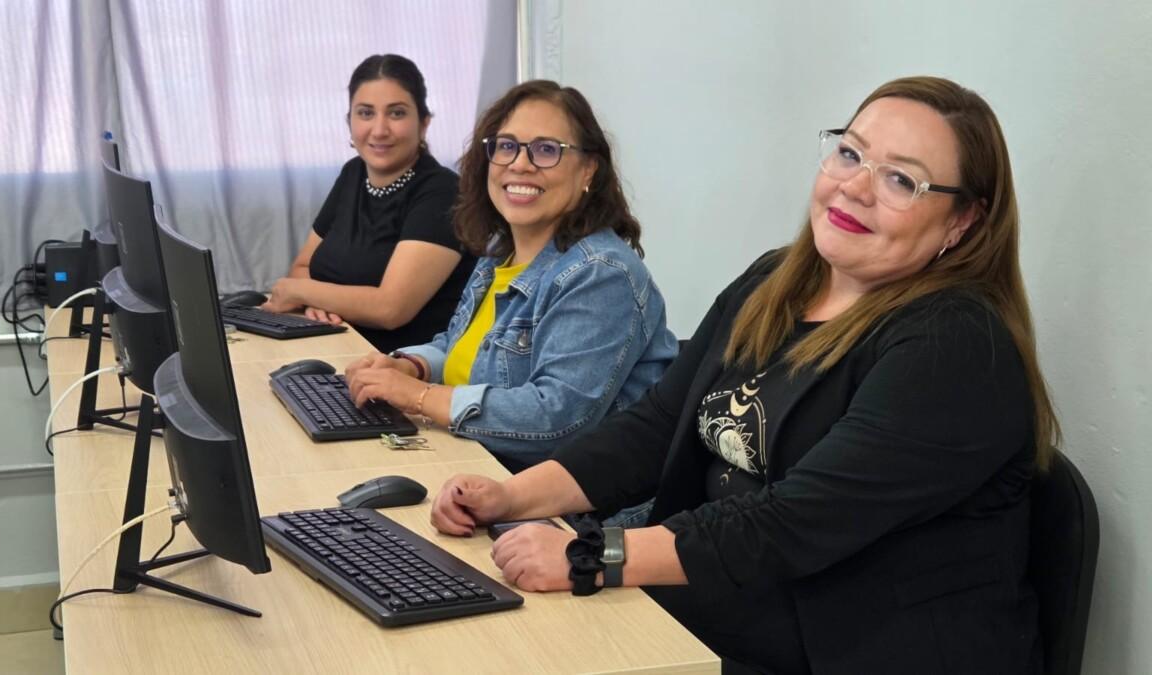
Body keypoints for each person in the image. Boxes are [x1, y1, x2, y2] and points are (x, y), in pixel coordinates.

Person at [428, 76, 1060, 674]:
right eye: (850, 155)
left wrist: (593, 556)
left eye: (901, 180)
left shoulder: (956, 343)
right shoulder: (775, 280)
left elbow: (795, 521)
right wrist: (512, 498)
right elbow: (656, 427)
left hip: (848, 649)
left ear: (964, 220)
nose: (855, 188)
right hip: (720, 613)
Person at [345, 80, 678, 486]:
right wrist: (409, 365)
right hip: (476, 466)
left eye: (546, 150)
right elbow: (458, 345)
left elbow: (554, 419)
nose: (520, 164)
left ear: (589, 169)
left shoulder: (600, 274)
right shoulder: (500, 255)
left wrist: (417, 397)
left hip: (562, 518)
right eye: (506, 146)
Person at [260, 54, 474, 354]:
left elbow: (390, 309)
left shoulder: (444, 193)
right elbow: (302, 266)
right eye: (365, 113)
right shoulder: (354, 173)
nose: (379, 129)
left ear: (423, 123)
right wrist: (317, 301)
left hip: (403, 369)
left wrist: (302, 292)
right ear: (350, 121)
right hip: (335, 346)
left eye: (397, 113)